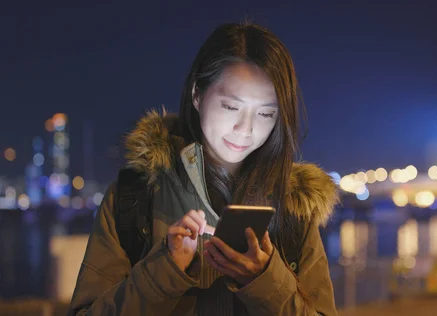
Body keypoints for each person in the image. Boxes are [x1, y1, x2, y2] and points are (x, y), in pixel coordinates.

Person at [68, 22, 339, 315]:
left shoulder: (294, 206)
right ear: (197, 93)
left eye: (265, 113)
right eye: (231, 107)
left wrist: (264, 280)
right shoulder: (135, 195)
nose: (245, 129)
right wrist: (164, 271)